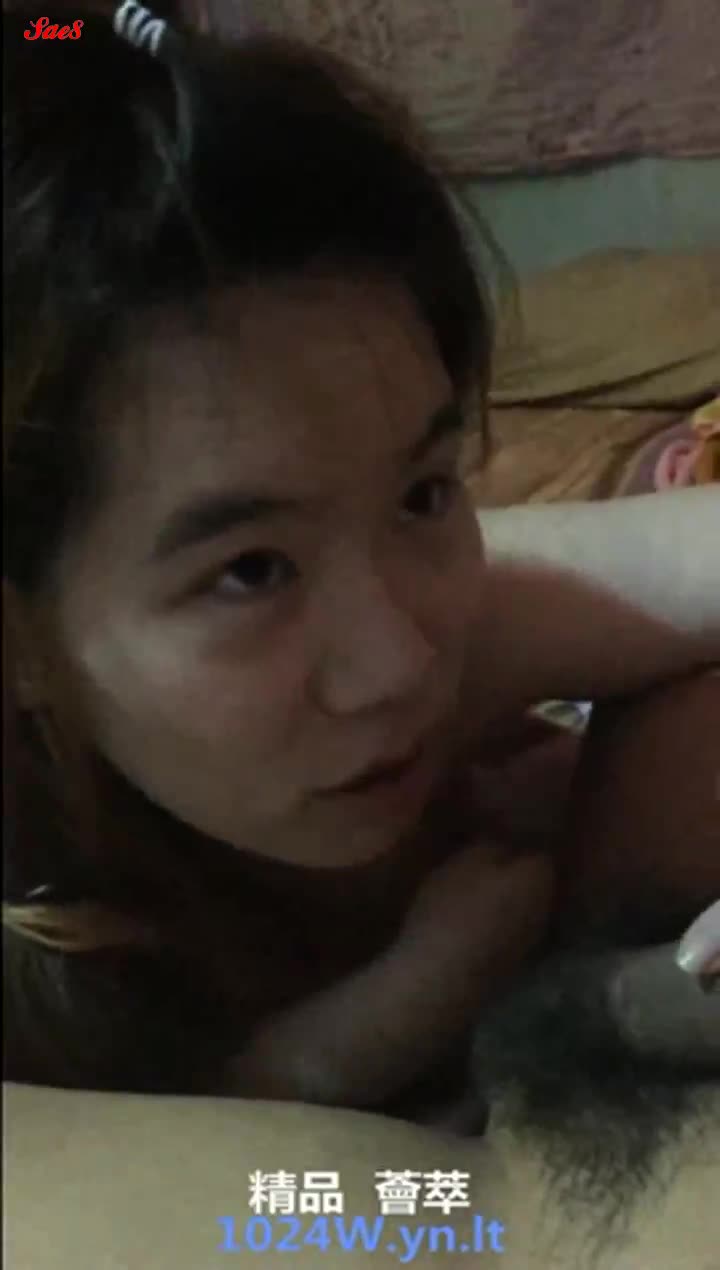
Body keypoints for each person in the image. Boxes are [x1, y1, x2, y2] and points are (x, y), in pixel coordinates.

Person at [3, 1, 718, 1122]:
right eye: (251, 570)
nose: (405, 660)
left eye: (424, 491)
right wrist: (405, 1001)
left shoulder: (450, 605)